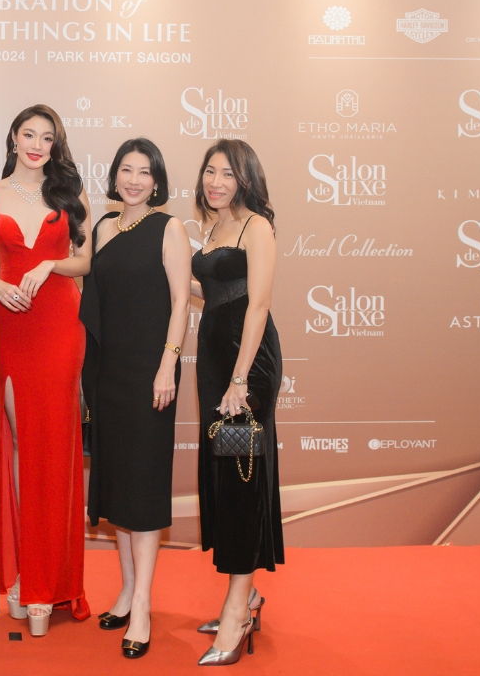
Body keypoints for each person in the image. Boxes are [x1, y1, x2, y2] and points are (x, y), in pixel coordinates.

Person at [0, 104, 92, 636]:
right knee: (20, 445)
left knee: (53, 450)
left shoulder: (70, 196)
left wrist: (50, 263)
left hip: (59, 324)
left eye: (47, 137)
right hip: (11, 323)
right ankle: (24, 574)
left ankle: (47, 583)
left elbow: (87, 261)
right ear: (14, 139)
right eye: (29, 134)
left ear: (55, 145)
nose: (37, 145)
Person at [79, 138, 191, 660]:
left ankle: (142, 604)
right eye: (126, 169)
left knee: (142, 491)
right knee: (119, 488)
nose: (134, 179)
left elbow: (181, 302)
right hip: (107, 376)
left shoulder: (169, 229)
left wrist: (168, 365)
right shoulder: (102, 228)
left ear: (157, 180)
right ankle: (125, 592)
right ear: (115, 175)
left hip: (151, 376)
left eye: (144, 172)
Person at [190, 139, 284, 667]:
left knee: (242, 479)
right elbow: (215, 293)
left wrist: (240, 380)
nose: (216, 182)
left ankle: (236, 612)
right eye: (210, 171)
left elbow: (258, 303)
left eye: (227, 173)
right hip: (213, 365)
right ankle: (247, 595)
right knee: (226, 477)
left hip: (246, 368)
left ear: (245, 178)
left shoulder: (256, 227)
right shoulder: (213, 228)